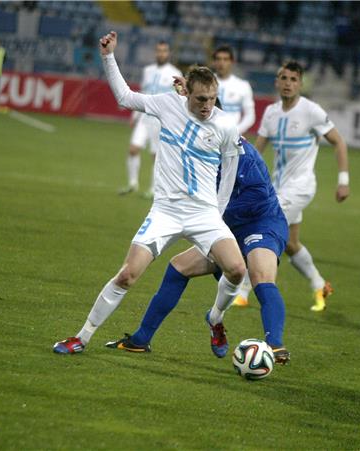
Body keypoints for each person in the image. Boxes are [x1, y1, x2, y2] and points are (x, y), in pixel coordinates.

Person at [53, 31, 246, 354]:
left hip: (204, 214)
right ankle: (81, 337)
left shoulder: (225, 125)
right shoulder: (167, 104)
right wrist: (108, 56)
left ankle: (215, 319)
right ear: (186, 93)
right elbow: (125, 98)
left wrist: (218, 211)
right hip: (166, 211)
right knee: (128, 275)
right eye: (201, 99)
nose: (207, 106)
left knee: (238, 269)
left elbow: (230, 171)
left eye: (212, 99)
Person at [106, 138, 291, 364]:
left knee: (260, 275)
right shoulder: (199, 151)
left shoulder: (243, 157)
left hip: (261, 222)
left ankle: (274, 345)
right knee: (178, 267)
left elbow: (250, 200)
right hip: (225, 226)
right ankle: (141, 339)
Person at [234, 60, 350, 312]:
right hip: (278, 186)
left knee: (263, 228)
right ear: (277, 82)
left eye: (293, 79)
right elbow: (257, 149)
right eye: (283, 78)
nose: (288, 84)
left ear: (300, 83)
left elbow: (339, 142)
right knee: (290, 243)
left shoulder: (312, 111)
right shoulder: (272, 113)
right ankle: (319, 284)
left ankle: (242, 291)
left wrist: (343, 181)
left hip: (301, 187)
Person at [119, 40, 182, 198]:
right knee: (133, 149)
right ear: (155, 52)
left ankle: (154, 189)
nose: (161, 53)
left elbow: (177, 98)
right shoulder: (148, 70)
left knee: (157, 156)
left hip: (160, 119)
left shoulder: (175, 72)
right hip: (145, 117)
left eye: (164, 51)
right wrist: (135, 114)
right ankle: (133, 183)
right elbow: (143, 93)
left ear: (169, 53)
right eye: (159, 50)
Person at [212, 45, 255, 135]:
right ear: (214, 62)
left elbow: (250, 116)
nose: (221, 63)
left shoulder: (243, 86)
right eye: (218, 59)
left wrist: (236, 131)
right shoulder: (205, 83)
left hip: (232, 137)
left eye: (225, 59)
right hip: (208, 135)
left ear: (232, 62)